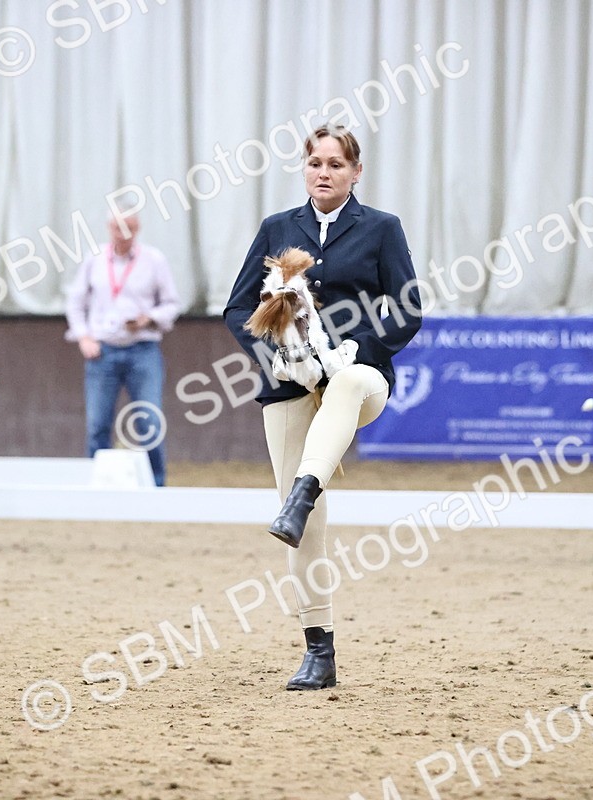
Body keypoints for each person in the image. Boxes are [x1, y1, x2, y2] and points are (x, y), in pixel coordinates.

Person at [223, 124, 423, 690]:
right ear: (304, 169)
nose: (324, 172)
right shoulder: (277, 228)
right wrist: (277, 358)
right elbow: (237, 308)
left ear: (356, 172)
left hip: (360, 377)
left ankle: (304, 491)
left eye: (336, 164)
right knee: (306, 531)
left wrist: (361, 347)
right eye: (315, 163)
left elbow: (408, 310)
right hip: (290, 384)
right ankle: (319, 651)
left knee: (349, 382)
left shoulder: (382, 228)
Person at [66, 210, 181, 487]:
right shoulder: (94, 260)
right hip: (102, 352)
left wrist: (149, 318)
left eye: (129, 227)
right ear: (109, 228)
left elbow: (172, 304)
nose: (124, 233)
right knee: (98, 424)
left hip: (143, 350)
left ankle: (157, 486)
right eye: (118, 227)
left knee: (149, 422)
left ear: (138, 229)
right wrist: (84, 337)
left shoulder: (154, 260)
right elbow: (75, 302)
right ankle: (98, 486)